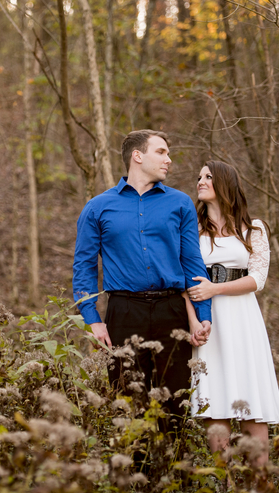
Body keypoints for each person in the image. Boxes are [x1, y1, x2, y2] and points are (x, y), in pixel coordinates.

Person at [72, 130, 213, 423]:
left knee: (174, 405)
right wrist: (93, 319)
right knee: (127, 402)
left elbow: (192, 262)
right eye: (161, 152)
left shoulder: (181, 203)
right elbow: (84, 267)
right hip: (124, 312)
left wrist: (203, 314)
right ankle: (133, 469)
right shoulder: (98, 207)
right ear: (138, 156)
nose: (168, 160)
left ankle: (172, 467)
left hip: (172, 312)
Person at [185, 160, 279, 466]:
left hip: (243, 319)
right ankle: (222, 478)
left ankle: (260, 481)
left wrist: (216, 289)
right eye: (200, 176)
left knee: (250, 391)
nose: (201, 181)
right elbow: (182, 281)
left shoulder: (253, 228)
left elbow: (257, 279)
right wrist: (193, 323)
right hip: (206, 322)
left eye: (208, 177)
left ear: (225, 184)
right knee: (215, 399)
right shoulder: (191, 229)